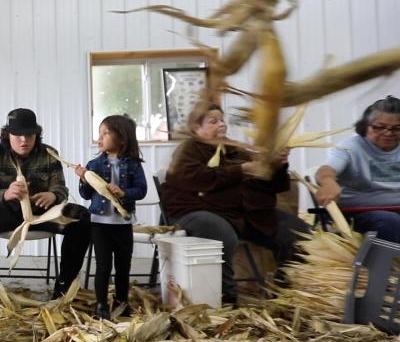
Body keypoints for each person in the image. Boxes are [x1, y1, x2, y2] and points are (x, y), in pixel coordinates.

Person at [159, 103, 310, 304]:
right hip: (197, 211)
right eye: (213, 121)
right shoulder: (189, 149)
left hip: (244, 213)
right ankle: (226, 299)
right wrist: (241, 170)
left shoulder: (237, 150)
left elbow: (270, 185)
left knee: (300, 234)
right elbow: (191, 178)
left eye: (222, 120)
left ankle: (282, 296)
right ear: (196, 128)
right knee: (218, 230)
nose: (221, 124)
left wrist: (277, 166)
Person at [0, 108, 91, 298]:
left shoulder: (49, 153)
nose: (24, 140)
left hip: (43, 214)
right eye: (17, 135)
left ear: (36, 133)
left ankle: (63, 287)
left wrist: (53, 195)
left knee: (81, 218)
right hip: (7, 212)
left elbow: (60, 188)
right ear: (7, 134)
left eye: (29, 135)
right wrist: (6, 193)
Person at [76, 115, 147, 318]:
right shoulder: (94, 164)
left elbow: (141, 190)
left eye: (105, 133)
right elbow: (86, 195)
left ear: (122, 138)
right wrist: (84, 180)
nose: (100, 138)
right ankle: (101, 305)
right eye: (99, 134)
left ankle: (121, 301)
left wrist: (124, 192)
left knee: (123, 265)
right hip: (99, 223)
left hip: (123, 223)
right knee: (103, 266)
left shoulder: (133, 164)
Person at [314, 96, 400, 242]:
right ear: (364, 126)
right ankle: (381, 265)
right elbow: (327, 169)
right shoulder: (349, 148)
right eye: (379, 127)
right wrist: (328, 182)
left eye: (397, 128)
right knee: (389, 221)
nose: (388, 133)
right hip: (358, 214)